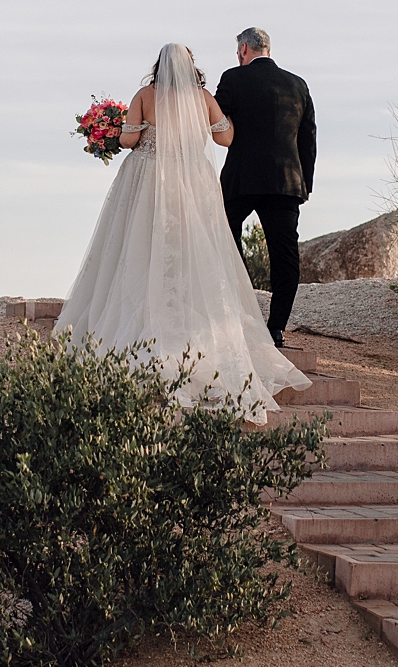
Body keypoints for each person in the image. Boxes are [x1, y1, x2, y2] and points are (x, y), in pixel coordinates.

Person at [55, 42, 309, 420]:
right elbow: (225, 138)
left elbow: (127, 140)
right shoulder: (203, 98)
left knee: (139, 245)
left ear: (159, 65)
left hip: (149, 180)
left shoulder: (145, 94)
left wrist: (123, 130)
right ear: (190, 67)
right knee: (190, 247)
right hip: (192, 181)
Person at [213, 27, 315, 349]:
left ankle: (242, 312)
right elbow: (308, 140)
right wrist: (304, 185)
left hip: (240, 180)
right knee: (285, 257)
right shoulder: (298, 85)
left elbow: (215, 119)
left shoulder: (233, 79)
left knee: (224, 240)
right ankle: (275, 328)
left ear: (244, 49)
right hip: (285, 183)